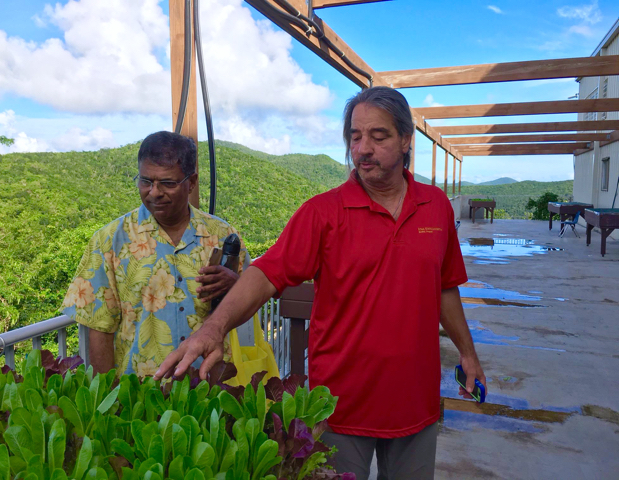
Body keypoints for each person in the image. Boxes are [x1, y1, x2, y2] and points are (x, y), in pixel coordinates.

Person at [154, 87, 486, 479]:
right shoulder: (323, 213)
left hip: (415, 401)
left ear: (406, 141)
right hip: (339, 407)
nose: (363, 149)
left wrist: (468, 353)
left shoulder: (436, 207)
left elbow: (445, 287)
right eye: (355, 136)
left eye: (378, 137)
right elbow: (265, 273)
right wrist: (213, 327)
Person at [62, 131, 248, 377]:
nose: (154, 192)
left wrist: (237, 285)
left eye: (168, 183)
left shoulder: (223, 236)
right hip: (138, 401)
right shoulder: (109, 241)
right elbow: (99, 327)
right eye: (146, 181)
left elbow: (251, 300)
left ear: (191, 182)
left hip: (209, 396)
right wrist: (106, 400)